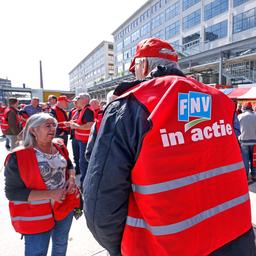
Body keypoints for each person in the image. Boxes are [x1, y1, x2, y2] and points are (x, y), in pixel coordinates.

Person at [84, 38, 255, 256]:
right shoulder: (220, 101)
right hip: (234, 239)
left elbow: (101, 204)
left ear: (142, 66)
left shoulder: (130, 106)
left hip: (165, 247)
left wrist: (120, 249)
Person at [4, 112, 80, 256]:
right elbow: (12, 193)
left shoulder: (59, 146)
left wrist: (71, 178)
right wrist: (50, 194)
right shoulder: (18, 156)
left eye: (54, 125)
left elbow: (69, 165)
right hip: (36, 216)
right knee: (37, 252)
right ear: (33, 130)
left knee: (61, 243)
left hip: (64, 208)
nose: (53, 129)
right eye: (47, 126)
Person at [69, 93, 94, 189]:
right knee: (82, 162)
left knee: (84, 162)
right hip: (81, 140)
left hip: (85, 141)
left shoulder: (87, 110)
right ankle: (85, 183)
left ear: (84, 100)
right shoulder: (83, 110)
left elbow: (90, 125)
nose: (76, 101)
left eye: (78, 99)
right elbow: (82, 122)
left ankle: (85, 184)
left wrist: (76, 126)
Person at [238, 102, 256, 180]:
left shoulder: (239, 116)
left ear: (244, 108)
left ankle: (245, 176)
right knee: (254, 159)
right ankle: (254, 175)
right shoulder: (255, 116)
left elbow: (236, 128)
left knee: (245, 160)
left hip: (244, 141)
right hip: (254, 141)